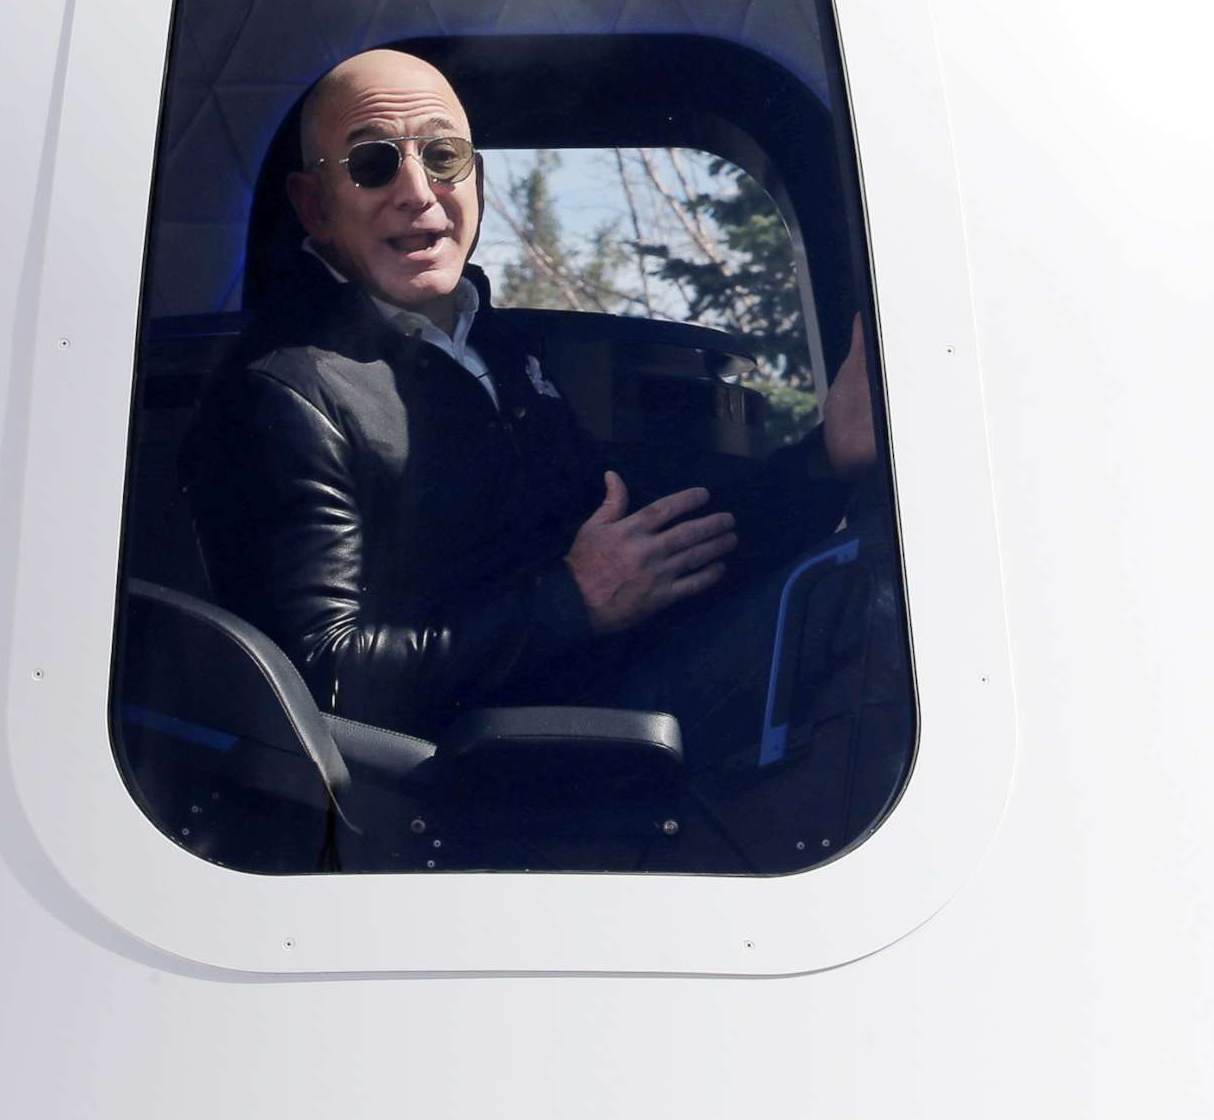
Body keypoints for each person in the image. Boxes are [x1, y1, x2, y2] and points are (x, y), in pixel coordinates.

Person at [183, 47, 876, 745]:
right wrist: (572, 603)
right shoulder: (282, 393)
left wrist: (827, 460)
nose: (419, 192)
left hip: (599, 701)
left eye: (444, 156)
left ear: (476, 178)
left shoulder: (497, 348)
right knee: (860, 610)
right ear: (315, 207)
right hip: (482, 773)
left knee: (855, 579)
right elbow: (311, 677)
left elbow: (652, 555)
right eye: (374, 164)